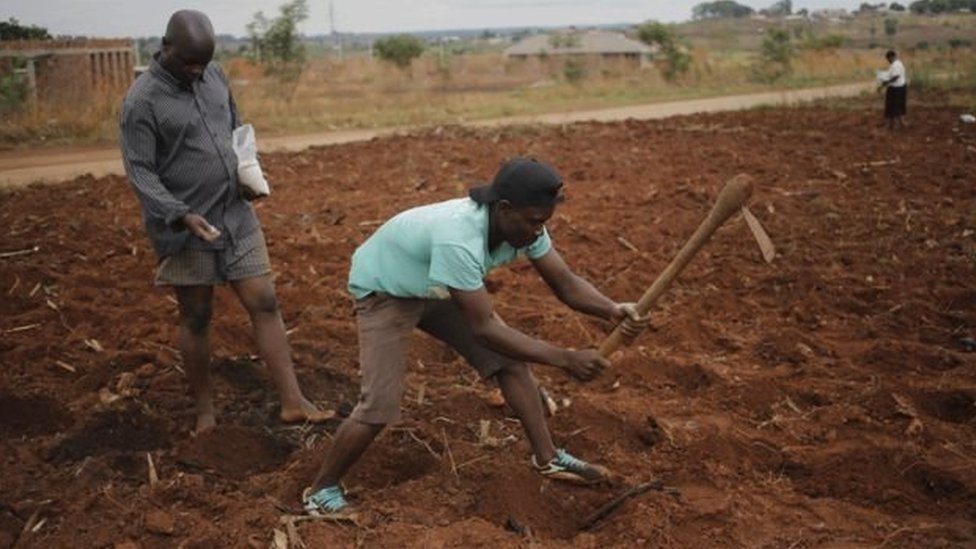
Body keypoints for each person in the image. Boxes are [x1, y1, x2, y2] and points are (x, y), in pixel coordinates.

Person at [302, 157, 649, 518]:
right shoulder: (459, 239)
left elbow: (564, 282)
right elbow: (485, 329)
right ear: (503, 208)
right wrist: (565, 357)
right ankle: (321, 489)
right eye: (533, 222)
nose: (538, 231)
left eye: (544, 222)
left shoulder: (527, 227)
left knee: (510, 363)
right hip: (386, 290)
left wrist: (610, 309)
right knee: (379, 404)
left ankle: (548, 458)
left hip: (437, 285)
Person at [119, 10, 331, 433]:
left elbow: (235, 129)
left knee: (265, 301)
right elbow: (140, 171)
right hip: (185, 225)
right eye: (188, 63)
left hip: (236, 213)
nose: (196, 71)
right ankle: (205, 412)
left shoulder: (213, 76)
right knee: (197, 315)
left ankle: (293, 401)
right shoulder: (141, 101)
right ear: (166, 47)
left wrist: (249, 171)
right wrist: (179, 214)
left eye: (203, 62)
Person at [877, 50, 907, 130]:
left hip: (896, 88)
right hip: (898, 87)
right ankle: (898, 124)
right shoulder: (897, 64)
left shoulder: (895, 65)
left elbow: (895, 77)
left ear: (892, 57)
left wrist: (885, 83)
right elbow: (893, 75)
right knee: (896, 106)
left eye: (888, 59)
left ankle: (895, 125)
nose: (888, 61)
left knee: (894, 107)